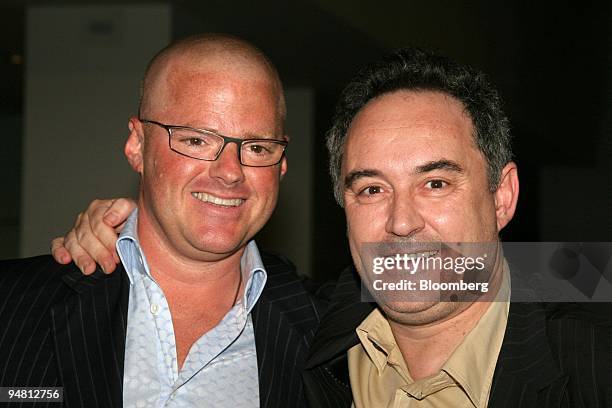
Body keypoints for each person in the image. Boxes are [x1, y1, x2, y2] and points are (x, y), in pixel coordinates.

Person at [51, 47, 612, 407]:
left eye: (436, 183)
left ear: (503, 196)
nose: (401, 222)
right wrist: (120, 230)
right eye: (371, 188)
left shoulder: (588, 357)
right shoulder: (318, 327)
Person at [0, 34, 346, 408]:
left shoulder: (334, 340)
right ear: (137, 145)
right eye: (197, 140)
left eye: (257, 147)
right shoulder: (12, 305)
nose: (230, 172)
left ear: (280, 164)